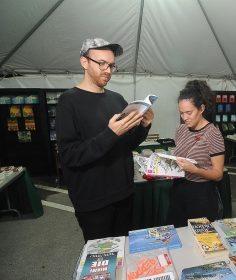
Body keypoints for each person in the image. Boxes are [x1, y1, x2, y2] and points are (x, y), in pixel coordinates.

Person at [56, 38, 154, 242]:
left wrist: (144, 126)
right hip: (93, 201)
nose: (108, 70)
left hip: (124, 193)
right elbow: (70, 156)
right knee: (101, 261)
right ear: (84, 62)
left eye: (111, 65)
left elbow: (127, 144)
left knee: (125, 251)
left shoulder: (116, 99)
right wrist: (110, 133)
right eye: (102, 63)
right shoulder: (68, 101)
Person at [166, 80, 225, 227]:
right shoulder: (180, 130)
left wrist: (196, 170)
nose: (185, 117)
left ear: (201, 108)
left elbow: (218, 174)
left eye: (189, 112)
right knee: (177, 232)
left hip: (201, 195)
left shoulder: (213, 133)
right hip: (178, 189)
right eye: (181, 113)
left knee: (199, 237)